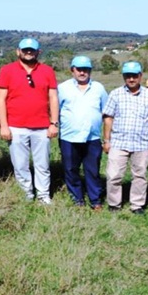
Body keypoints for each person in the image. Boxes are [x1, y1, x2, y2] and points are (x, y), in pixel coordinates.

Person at [0, 38, 59, 204]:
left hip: (42, 126)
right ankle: (26, 195)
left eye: (32, 50)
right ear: (18, 51)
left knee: (43, 165)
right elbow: (1, 99)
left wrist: (54, 123)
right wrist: (4, 125)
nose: (28, 52)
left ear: (38, 52)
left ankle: (43, 196)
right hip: (16, 126)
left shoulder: (47, 71)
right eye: (25, 50)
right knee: (20, 165)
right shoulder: (7, 70)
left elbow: (53, 97)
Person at [102, 61, 148, 215]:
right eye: (128, 76)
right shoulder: (115, 94)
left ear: (140, 76)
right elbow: (108, 118)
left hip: (142, 142)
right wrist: (107, 140)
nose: (131, 79)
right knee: (114, 175)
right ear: (123, 77)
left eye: (134, 76)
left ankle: (137, 205)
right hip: (119, 141)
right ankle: (114, 204)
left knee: (140, 175)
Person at [58, 55, 108, 209]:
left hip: (92, 137)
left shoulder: (98, 88)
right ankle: (77, 199)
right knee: (71, 169)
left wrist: (107, 137)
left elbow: (106, 111)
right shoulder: (63, 88)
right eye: (79, 69)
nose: (82, 72)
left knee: (92, 170)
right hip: (69, 137)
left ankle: (95, 200)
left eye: (85, 69)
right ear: (72, 70)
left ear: (90, 71)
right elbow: (56, 109)